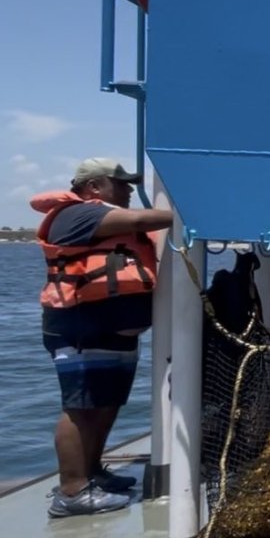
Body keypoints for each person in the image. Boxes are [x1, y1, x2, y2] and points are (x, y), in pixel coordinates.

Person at [30, 158, 171, 518]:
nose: (127, 189)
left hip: (110, 330)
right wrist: (192, 214)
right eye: (119, 183)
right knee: (81, 408)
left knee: (105, 405)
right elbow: (142, 220)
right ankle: (72, 491)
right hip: (80, 327)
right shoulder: (77, 214)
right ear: (93, 186)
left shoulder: (101, 213)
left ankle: (92, 473)